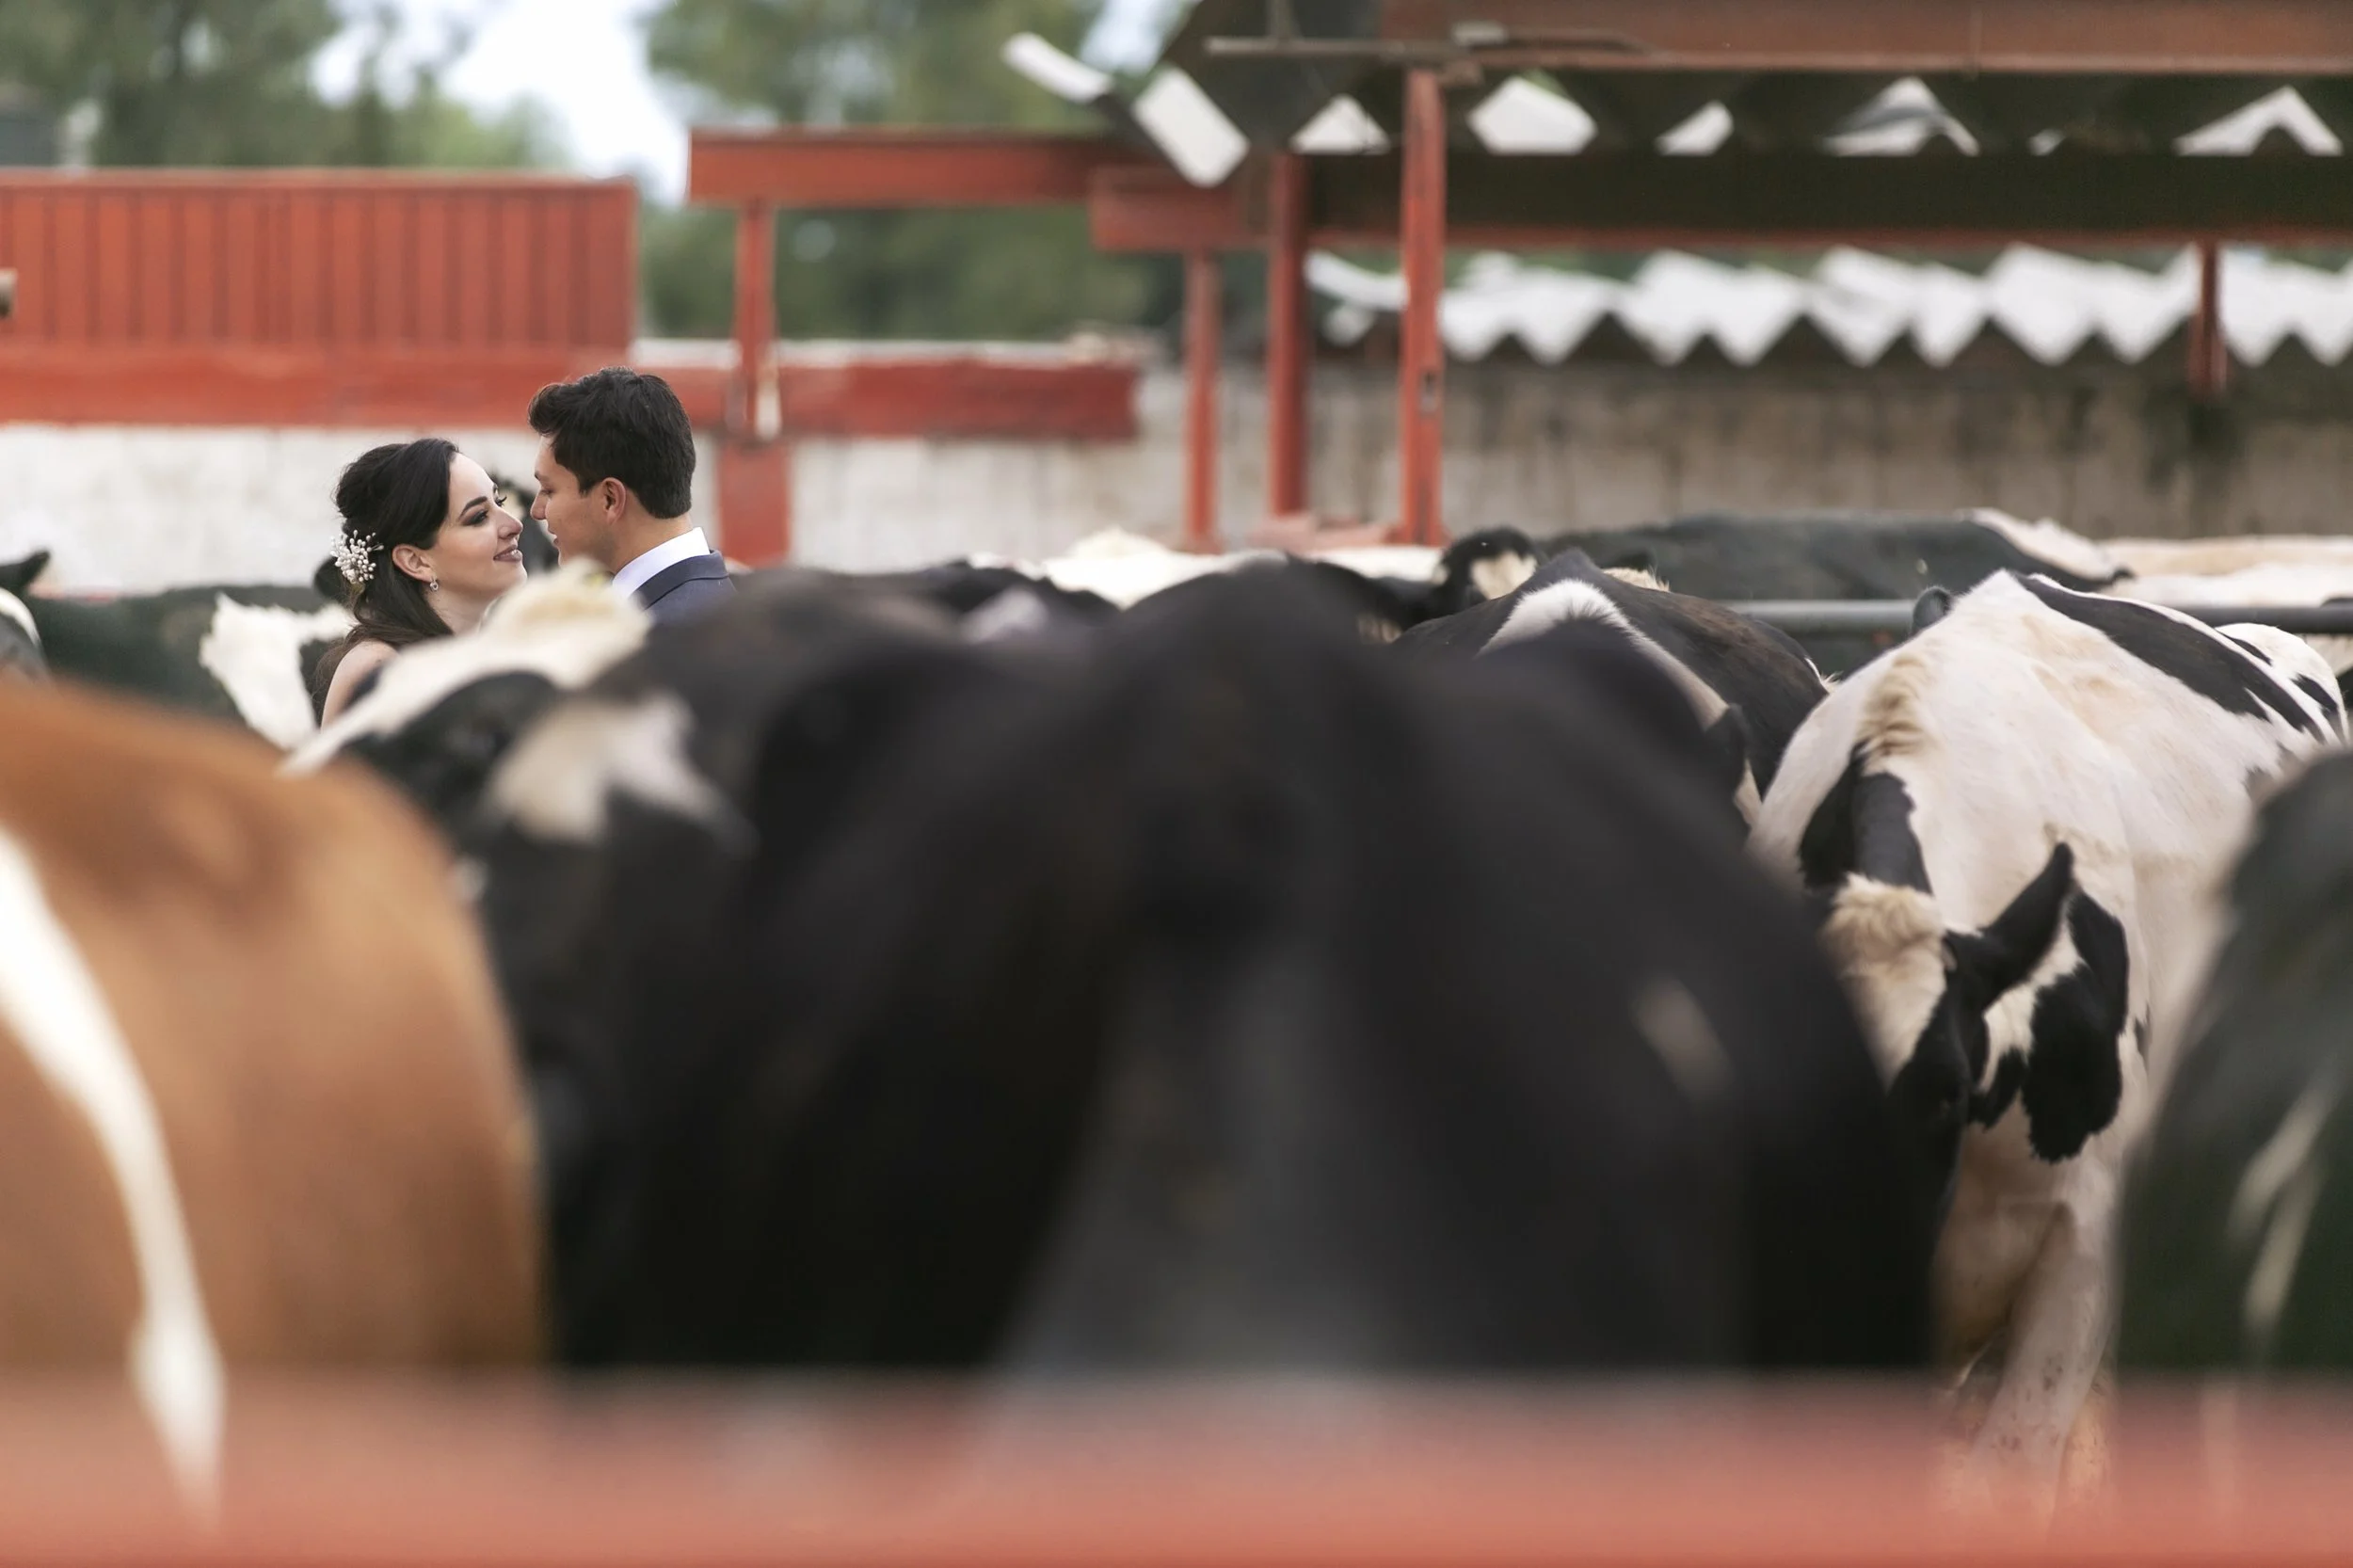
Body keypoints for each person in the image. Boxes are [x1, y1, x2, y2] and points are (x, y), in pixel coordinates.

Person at [314, 439, 527, 723]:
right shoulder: (378, 668)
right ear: (417, 562)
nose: (514, 525)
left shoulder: (496, 655)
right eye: (478, 517)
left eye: (499, 502)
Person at [527, 367, 733, 624]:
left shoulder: (659, 636)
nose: (536, 510)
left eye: (549, 490)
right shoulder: (722, 606)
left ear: (610, 499)